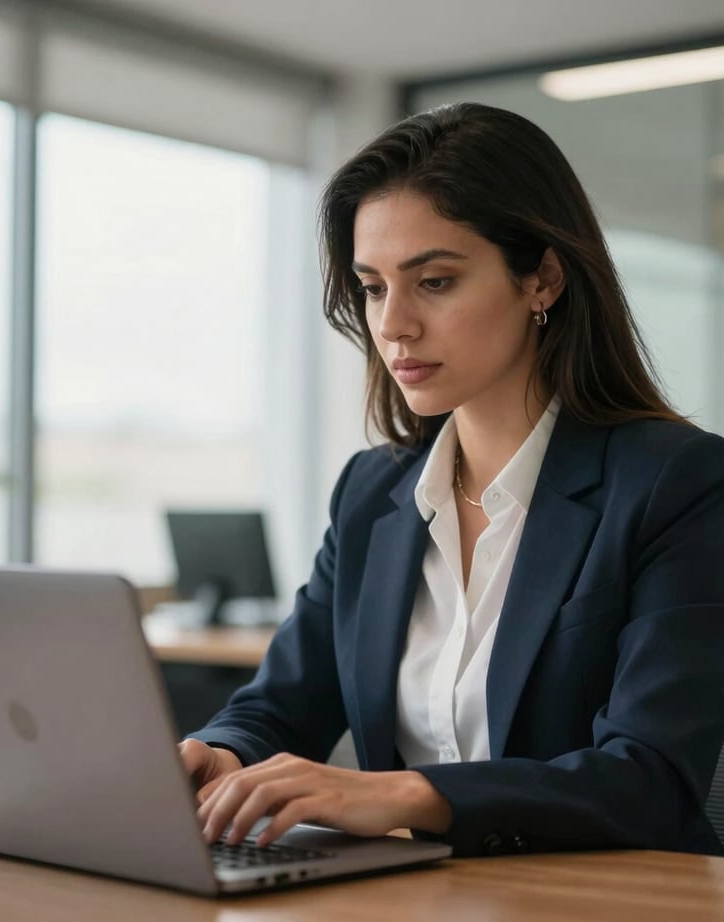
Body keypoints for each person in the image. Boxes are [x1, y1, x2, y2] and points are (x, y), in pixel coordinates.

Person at [180, 102, 724, 857]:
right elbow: (280, 705)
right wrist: (222, 754)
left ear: (543, 279)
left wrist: (405, 794)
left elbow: (650, 781)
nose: (394, 323)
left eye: (433, 281)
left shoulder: (675, 482)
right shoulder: (374, 492)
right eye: (372, 287)